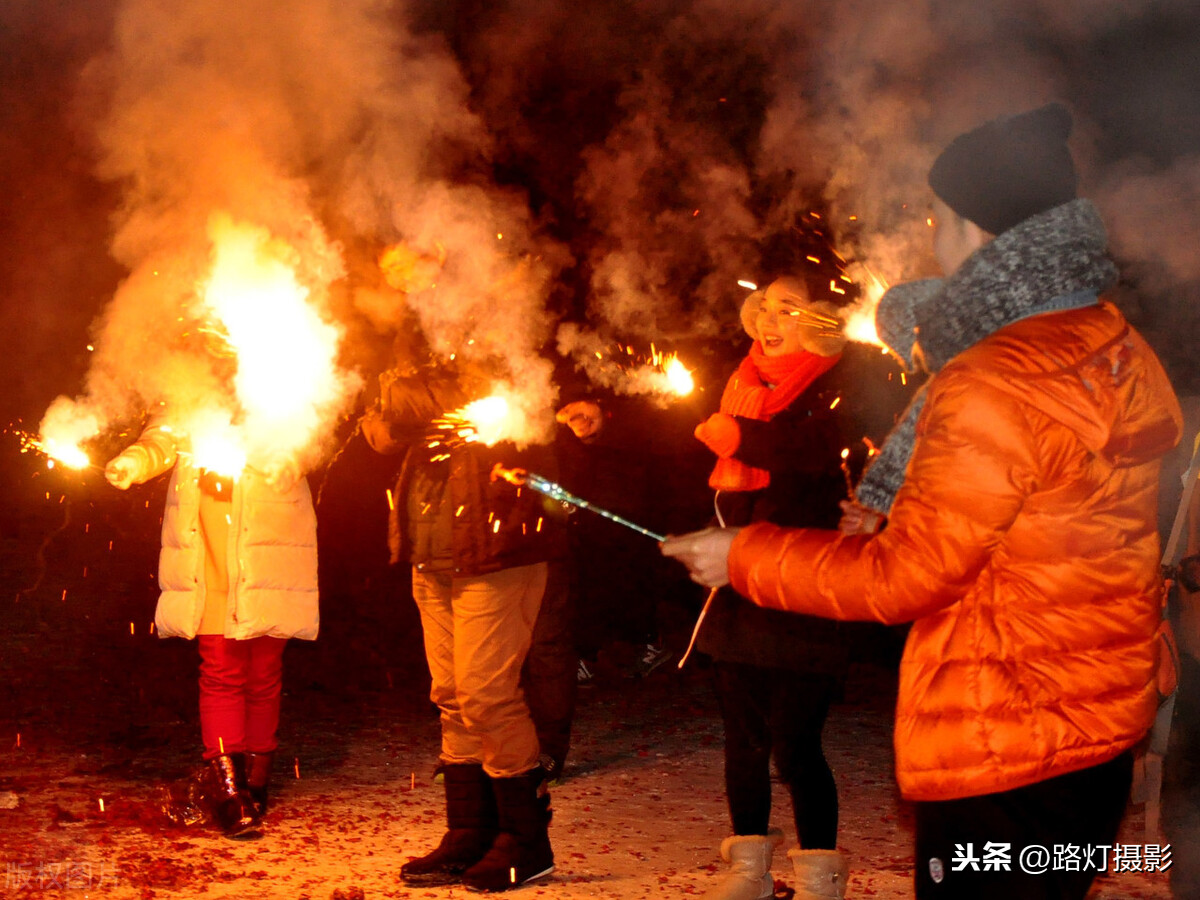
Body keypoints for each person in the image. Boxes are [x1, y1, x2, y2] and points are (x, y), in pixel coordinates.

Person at [662, 103, 1183, 900]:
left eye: (941, 217)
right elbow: (1037, 523)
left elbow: (907, 578)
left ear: (978, 230)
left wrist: (742, 556)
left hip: (1003, 740)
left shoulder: (991, 378)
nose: (933, 236)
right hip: (1098, 725)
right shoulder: (1110, 339)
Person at [686, 274, 898, 900]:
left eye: (792, 308)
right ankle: (747, 870)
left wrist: (744, 438)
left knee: (796, 742)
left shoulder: (843, 384)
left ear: (822, 321)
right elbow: (707, 481)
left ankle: (818, 874)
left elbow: (820, 449)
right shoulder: (741, 386)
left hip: (805, 588)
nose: (773, 319)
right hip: (737, 584)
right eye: (765, 307)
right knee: (743, 739)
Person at [361, 359, 566, 892]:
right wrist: (389, 414)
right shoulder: (417, 346)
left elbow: (445, 399)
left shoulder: (497, 325)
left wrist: (403, 397)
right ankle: (470, 831)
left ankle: (527, 840)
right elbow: (382, 430)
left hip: (497, 551)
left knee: (486, 694)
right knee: (451, 693)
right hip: (432, 549)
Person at [105, 420, 318, 839]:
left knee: (264, 669)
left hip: (267, 545)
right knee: (221, 667)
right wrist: (134, 460)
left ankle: (257, 782)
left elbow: (311, 436)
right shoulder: (189, 372)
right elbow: (163, 435)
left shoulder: (289, 367)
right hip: (207, 550)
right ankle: (228, 790)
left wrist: (287, 458)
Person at [555, 390, 673, 681]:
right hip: (586, 511)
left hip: (624, 508)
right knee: (587, 582)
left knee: (628, 575)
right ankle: (587, 653)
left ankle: (646, 643)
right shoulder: (565, 435)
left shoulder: (626, 422)